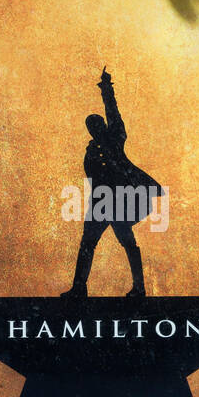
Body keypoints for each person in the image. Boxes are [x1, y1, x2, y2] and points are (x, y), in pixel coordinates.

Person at [61, 67, 162, 298]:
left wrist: (106, 88)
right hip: (100, 202)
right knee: (88, 244)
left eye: (97, 125)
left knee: (127, 243)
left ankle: (139, 288)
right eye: (91, 127)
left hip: (120, 201)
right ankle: (79, 287)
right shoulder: (91, 151)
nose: (95, 129)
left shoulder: (115, 137)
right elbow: (92, 178)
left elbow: (112, 111)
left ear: (103, 126)